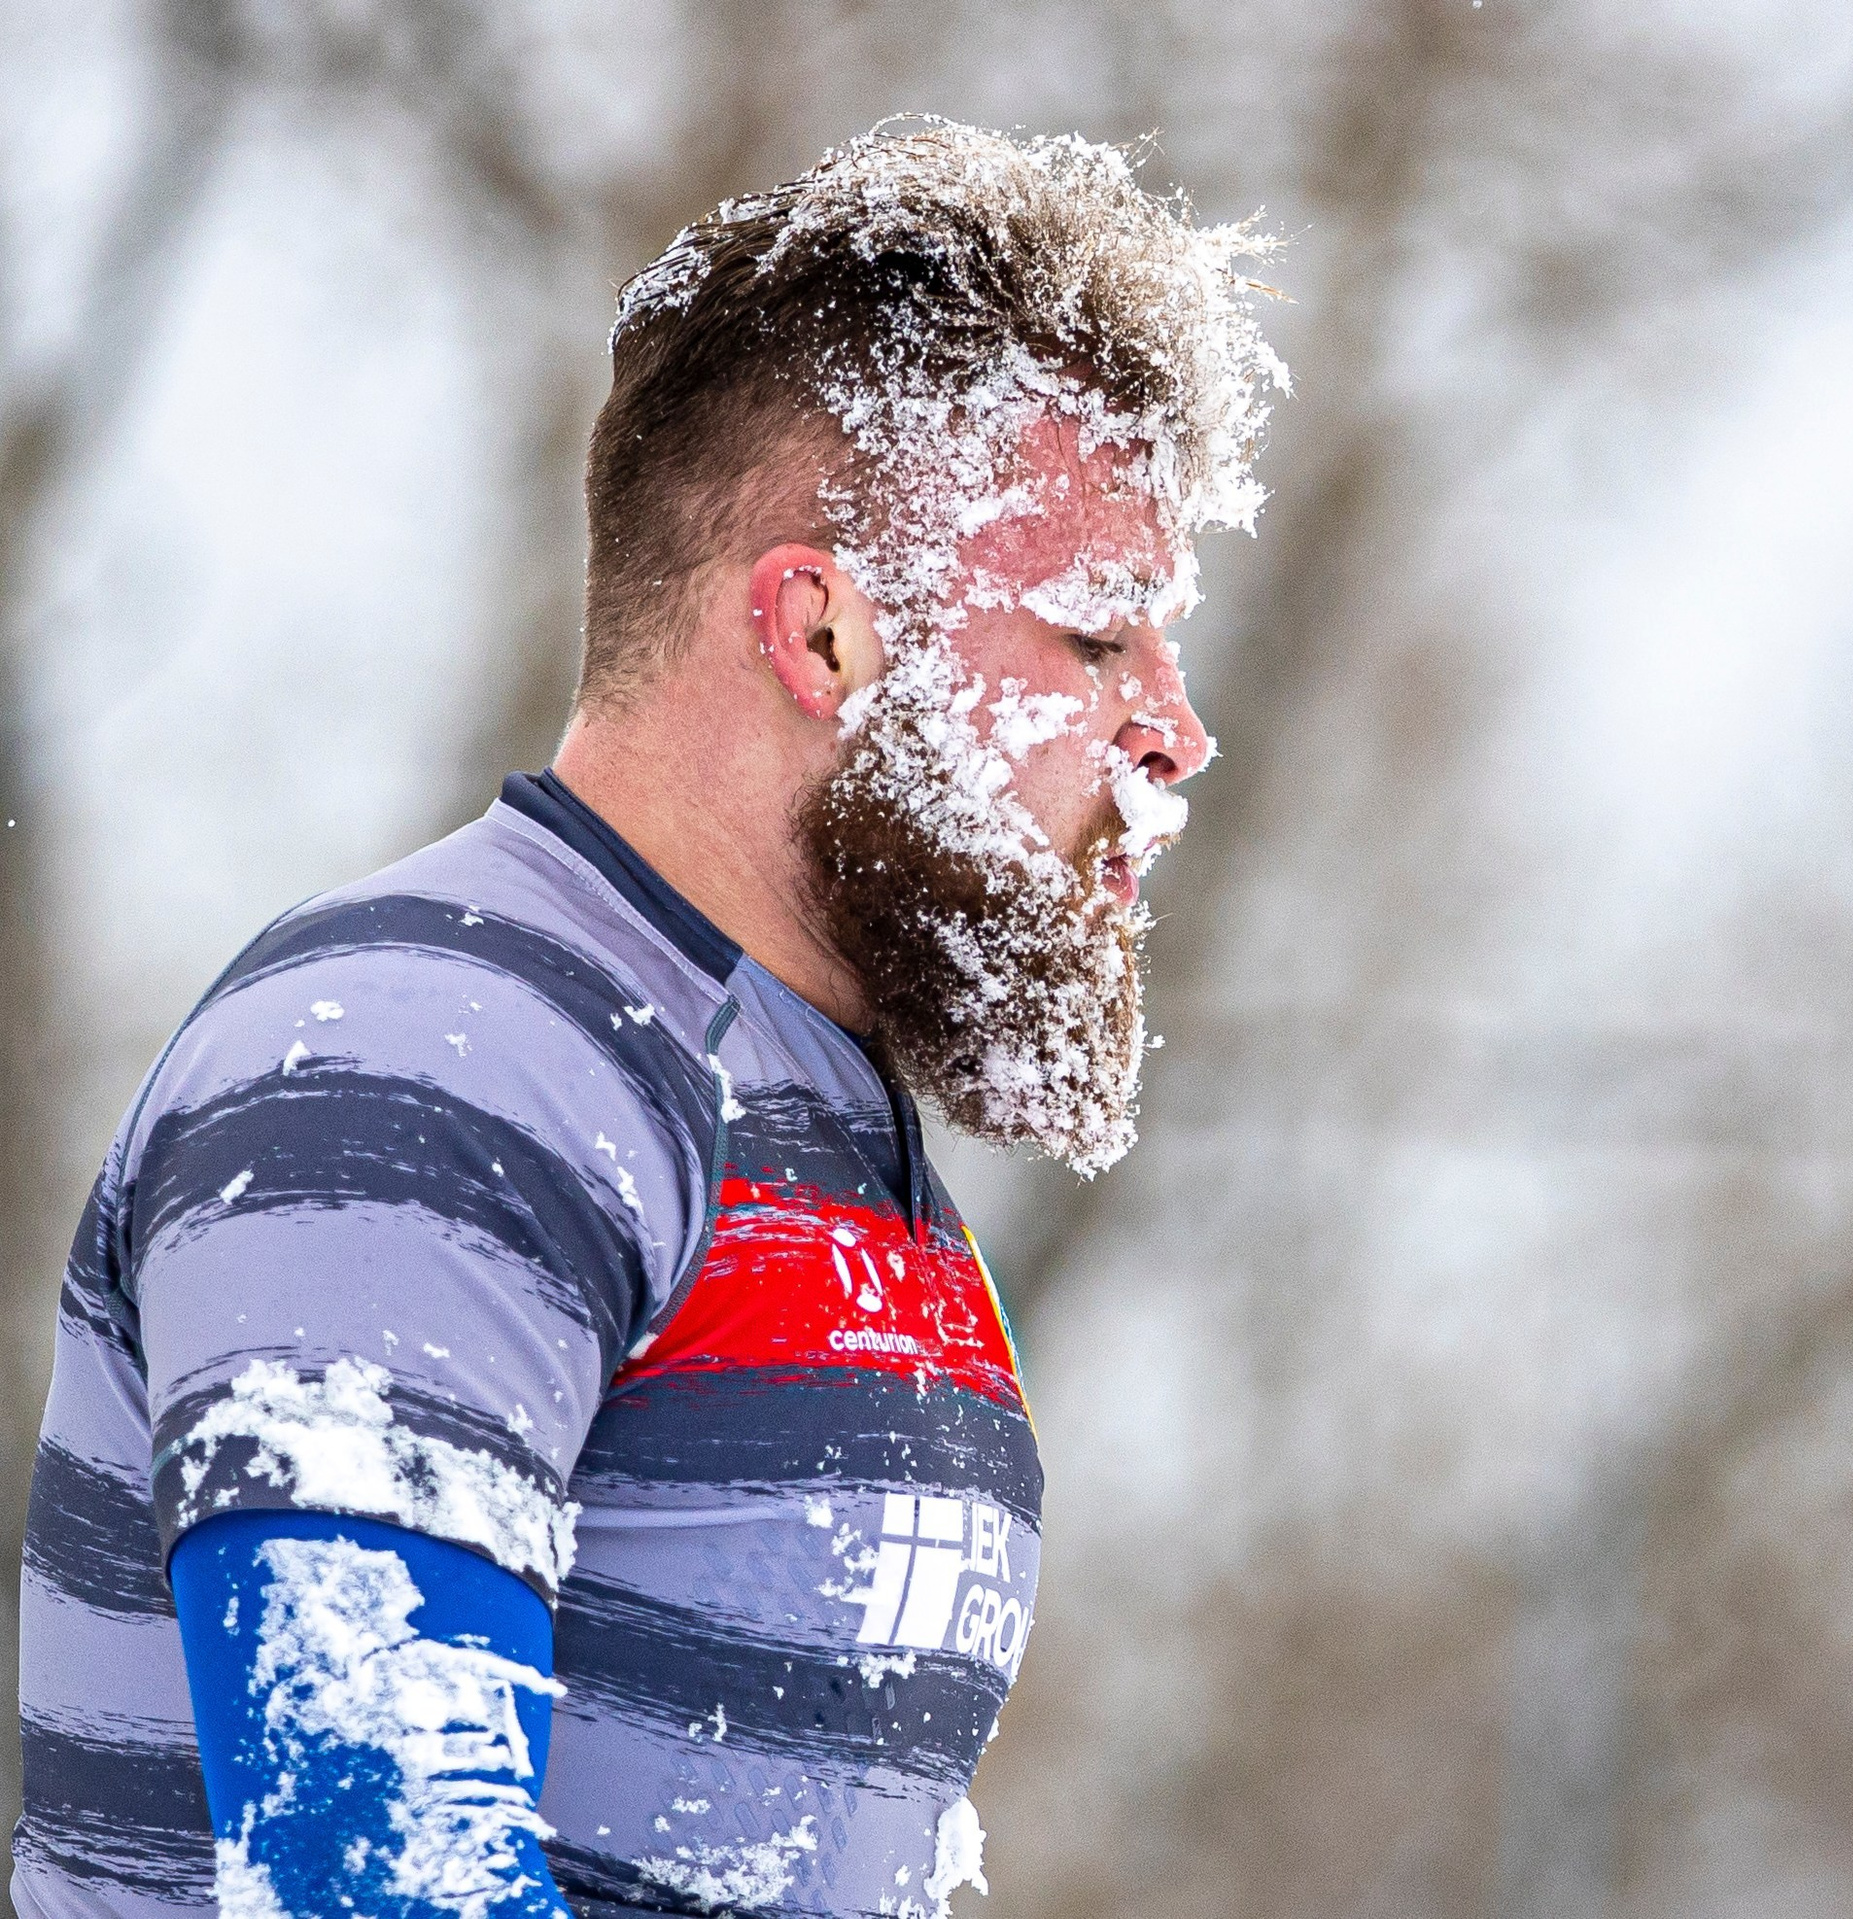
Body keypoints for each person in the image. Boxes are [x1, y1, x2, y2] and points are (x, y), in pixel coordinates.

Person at [12, 121, 1285, 1919]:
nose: (1174, 725)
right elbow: (373, 1887)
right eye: (1094, 638)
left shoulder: (814, 1119)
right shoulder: (433, 1058)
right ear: (820, 633)